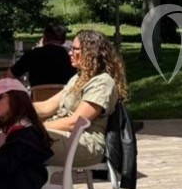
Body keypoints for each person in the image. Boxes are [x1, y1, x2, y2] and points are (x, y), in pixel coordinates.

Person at [35, 29, 128, 168]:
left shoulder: (102, 82)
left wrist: (33, 128)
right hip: (66, 137)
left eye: (75, 49)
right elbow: (46, 106)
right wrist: (15, 108)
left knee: (20, 142)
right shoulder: (78, 78)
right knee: (6, 140)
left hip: (86, 143)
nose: (70, 53)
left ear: (91, 52)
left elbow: (75, 123)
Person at [10, 22, 76, 87]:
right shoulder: (71, 57)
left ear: (44, 38)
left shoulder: (32, 54)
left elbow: (9, 75)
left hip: (38, 96)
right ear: (63, 40)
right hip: (64, 96)